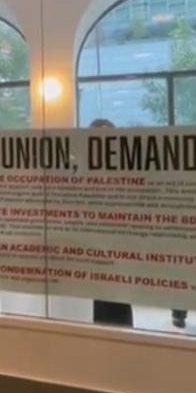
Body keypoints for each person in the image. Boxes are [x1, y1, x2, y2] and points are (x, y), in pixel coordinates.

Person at [86, 118, 134, 327]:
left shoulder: (126, 169)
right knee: (99, 301)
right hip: (92, 245)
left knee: (118, 299)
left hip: (119, 245)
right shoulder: (82, 169)